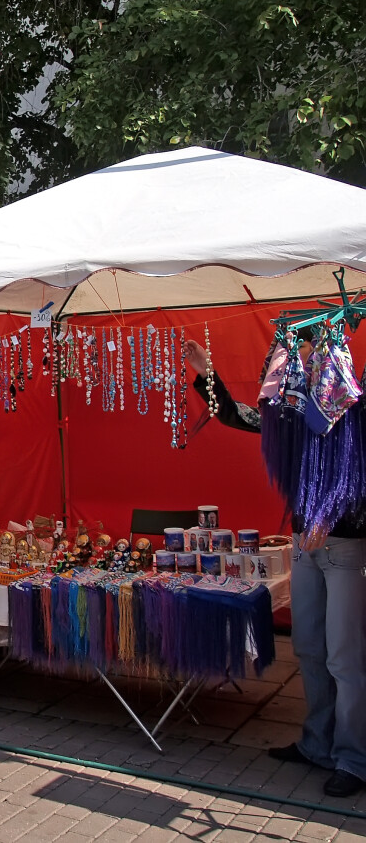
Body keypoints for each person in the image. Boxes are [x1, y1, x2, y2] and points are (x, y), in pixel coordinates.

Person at [184, 337, 366, 798]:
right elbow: (237, 414)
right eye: (296, 359)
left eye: (309, 357)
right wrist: (206, 370)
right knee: (307, 647)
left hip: (346, 548)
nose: (299, 365)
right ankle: (317, 744)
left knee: (345, 658)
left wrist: (333, 517)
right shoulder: (290, 416)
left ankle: (353, 758)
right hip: (306, 546)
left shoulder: (354, 412)